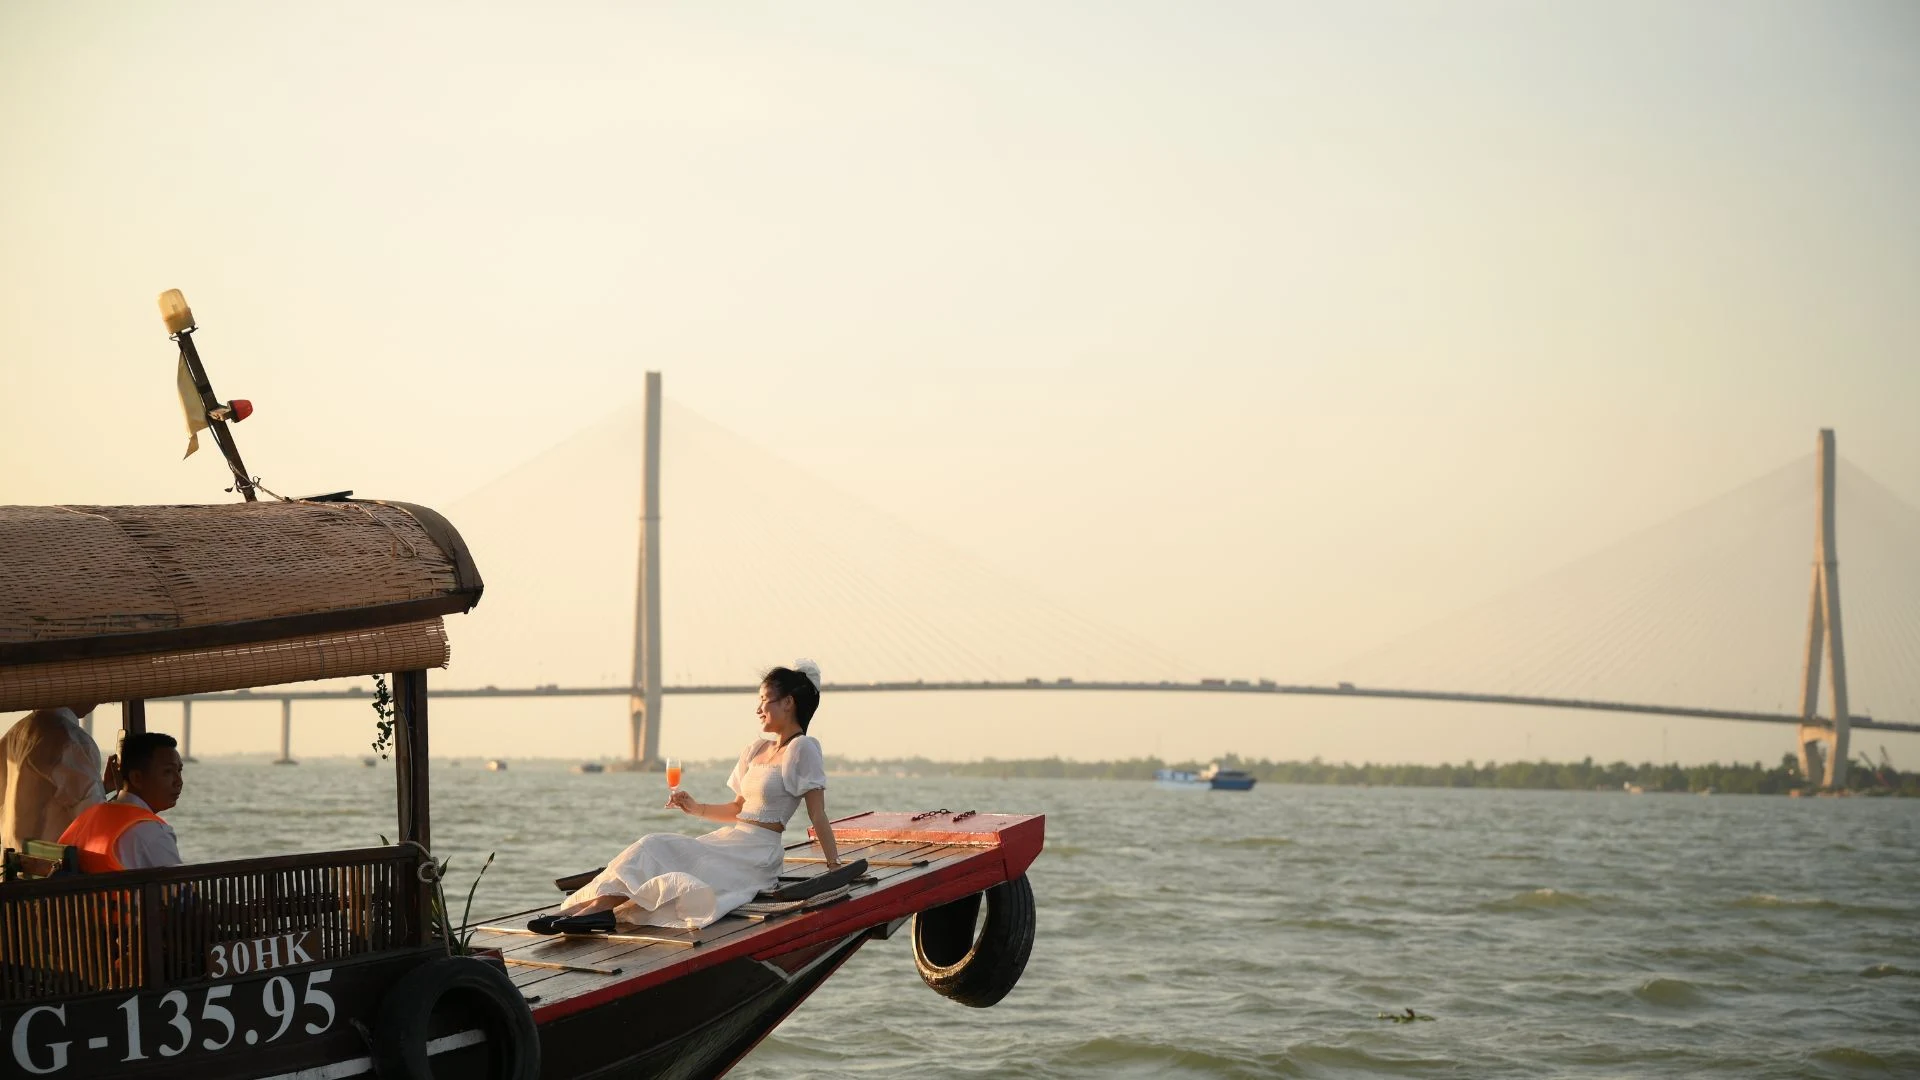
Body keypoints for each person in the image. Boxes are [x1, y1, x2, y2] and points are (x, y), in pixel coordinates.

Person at [533, 660, 840, 933]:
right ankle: (581, 911)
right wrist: (695, 808)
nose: (758, 709)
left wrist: (834, 866)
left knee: (674, 863)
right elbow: (738, 809)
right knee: (653, 845)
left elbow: (818, 814)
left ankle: (596, 912)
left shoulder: (803, 748)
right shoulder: (756, 749)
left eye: (763, 700)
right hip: (732, 839)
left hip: (756, 855)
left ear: (788, 702)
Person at [59, 731, 184, 872]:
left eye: (179, 771)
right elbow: (180, 890)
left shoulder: (87, 817)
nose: (179, 782)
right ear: (137, 778)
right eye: (168, 772)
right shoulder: (150, 833)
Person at [0, 704, 115, 853]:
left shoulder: (14, 734)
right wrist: (132, 799)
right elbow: (93, 820)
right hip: (57, 869)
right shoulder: (70, 739)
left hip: (15, 865)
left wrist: (103, 789)